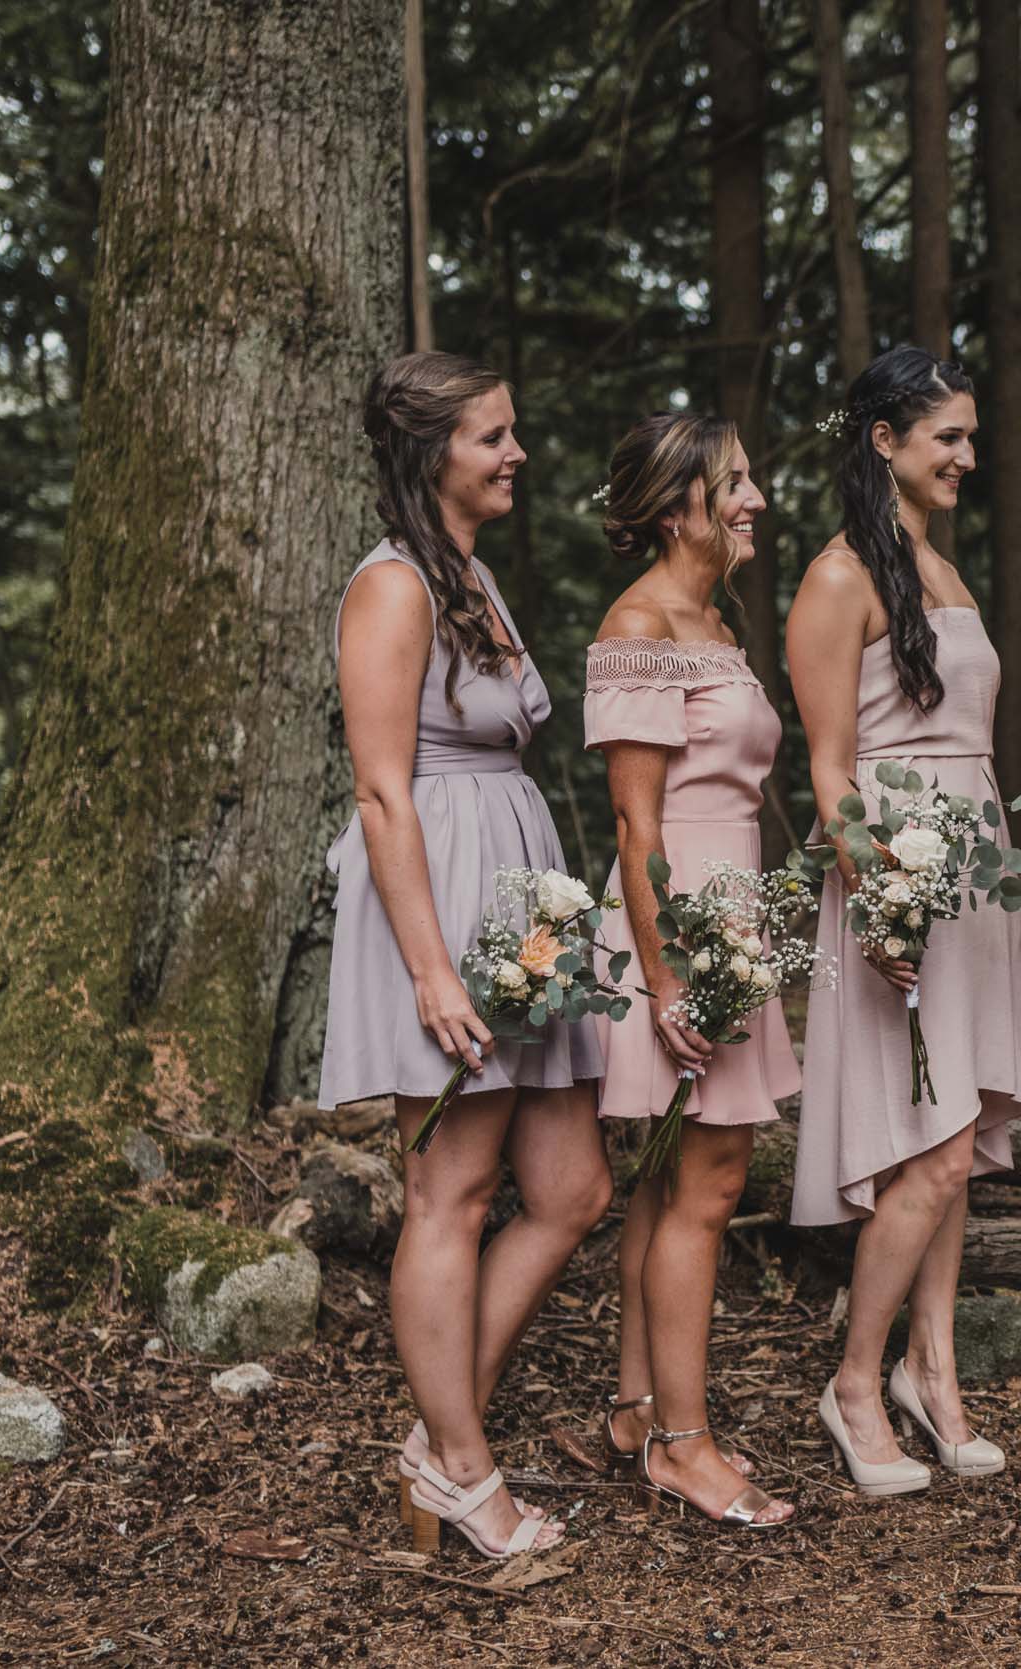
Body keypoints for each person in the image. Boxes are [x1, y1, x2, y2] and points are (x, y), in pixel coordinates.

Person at [322, 351, 609, 1558]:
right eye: (493, 435)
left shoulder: (469, 573)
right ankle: (462, 1466)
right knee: (451, 1189)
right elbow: (384, 793)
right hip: (435, 909)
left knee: (573, 1188)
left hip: (513, 910)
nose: (515, 453)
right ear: (431, 450)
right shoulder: (392, 588)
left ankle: (438, 1440)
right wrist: (434, 970)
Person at [787, 344, 1021, 1496]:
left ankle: (933, 1374)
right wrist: (879, 890)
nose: (966, 458)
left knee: (962, 1132)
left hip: (973, 871)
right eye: (948, 437)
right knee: (928, 1149)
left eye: (972, 437)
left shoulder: (941, 569)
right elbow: (830, 766)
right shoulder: (840, 578)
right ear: (884, 439)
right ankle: (852, 1378)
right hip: (898, 870)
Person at [586, 411, 794, 1529]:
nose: (755, 499)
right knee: (708, 1189)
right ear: (680, 508)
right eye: (736, 483)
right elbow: (636, 826)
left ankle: (634, 1407)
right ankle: (683, 1442)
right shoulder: (640, 625)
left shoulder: (713, 621)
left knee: (672, 1181)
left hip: (733, 921)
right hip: (681, 933)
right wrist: (668, 979)